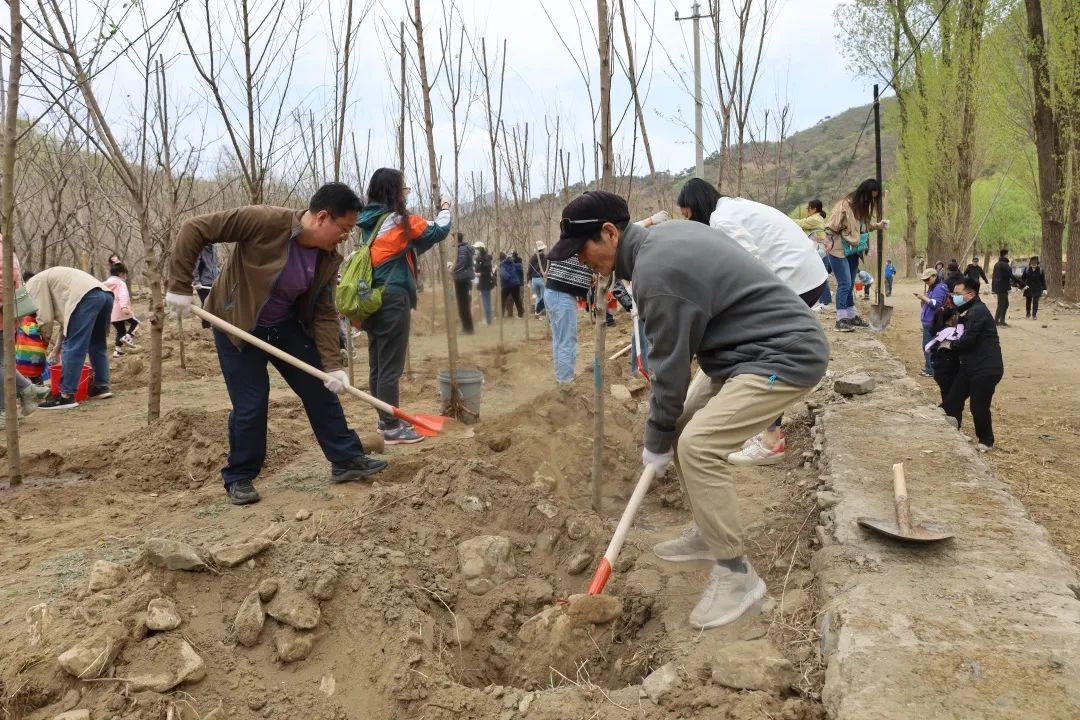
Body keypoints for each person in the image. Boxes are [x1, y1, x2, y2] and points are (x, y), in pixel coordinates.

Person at [548, 190, 829, 630]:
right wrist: (663, 432)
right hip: (740, 352)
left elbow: (670, 371)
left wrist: (655, 439)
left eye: (582, 249)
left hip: (783, 354)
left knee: (698, 445)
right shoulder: (661, 243)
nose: (580, 260)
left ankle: (737, 575)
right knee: (683, 426)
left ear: (610, 233)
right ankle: (708, 531)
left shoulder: (657, 272)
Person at [166, 182, 389, 505]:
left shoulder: (327, 259)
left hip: (283, 326)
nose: (345, 236)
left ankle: (345, 459)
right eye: (344, 228)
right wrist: (179, 285)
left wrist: (332, 366)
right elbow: (195, 228)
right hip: (237, 323)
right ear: (322, 217)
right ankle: (239, 477)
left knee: (319, 387)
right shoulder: (265, 221)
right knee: (252, 402)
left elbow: (324, 314)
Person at [677, 179, 827, 466]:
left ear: (696, 207)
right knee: (763, 347)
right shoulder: (732, 207)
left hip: (794, 277)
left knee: (763, 353)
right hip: (806, 273)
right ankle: (765, 432)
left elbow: (748, 261)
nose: (689, 223)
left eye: (688, 215)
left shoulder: (720, 219)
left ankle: (771, 441)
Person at [358, 169, 453, 445]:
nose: (405, 195)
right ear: (394, 192)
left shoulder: (369, 221)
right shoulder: (398, 220)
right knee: (390, 367)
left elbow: (406, 248)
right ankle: (392, 427)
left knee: (378, 365)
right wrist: (445, 208)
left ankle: (383, 418)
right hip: (392, 299)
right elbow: (439, 230)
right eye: (404, 190)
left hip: (371, 299)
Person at [27, 267, 115, 409]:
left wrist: (41, 343)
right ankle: (101, 386)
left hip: (86, 297)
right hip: (105, 295)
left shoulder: (32, 284)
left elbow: (45, 319)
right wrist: (56, 350)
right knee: (97, 343)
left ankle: (66, 396)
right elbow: (67, 324)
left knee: (74, 345)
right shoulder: (55, 282)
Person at [941, 277, 1003, 452]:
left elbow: (968, 339)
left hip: (985, 368)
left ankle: (987, 440)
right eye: (953, 293)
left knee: (978, 406)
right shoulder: (967, 310)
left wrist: (950, 344)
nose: (954, 297)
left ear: (970, 294)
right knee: (952, 400)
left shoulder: (978, 312)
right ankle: (949, 431)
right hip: (969, 366)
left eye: (957, 294)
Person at [825, 179, 889, 332]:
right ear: (863, 193)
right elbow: (831, 226)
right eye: (870, 197)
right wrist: (828, 240)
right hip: (838, 249)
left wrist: (879, 225)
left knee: (850, 284)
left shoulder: (861, 209)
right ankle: (841, 320)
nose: (871, 201)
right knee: (844, 283)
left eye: (874, 198)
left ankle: (851, 315)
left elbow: (863, 227)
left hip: (853, 250)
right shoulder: (844, 205)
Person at [0, 236, 41, 421]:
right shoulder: (6, 246)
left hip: (3, 314)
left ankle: (4, 412)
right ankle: (27, 389)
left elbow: (4, 283)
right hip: (7, 314)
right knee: (3, 362)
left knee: (1, 363)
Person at [544, 254, 593, 385]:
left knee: (560, 339)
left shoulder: (570, 245)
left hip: (553, 292)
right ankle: (566, 381)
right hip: (561, 295)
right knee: (566, 340)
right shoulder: (583, 245)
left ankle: (562, 376)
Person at [794, 200, 832, 309]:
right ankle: (824, 300)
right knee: (821, 275)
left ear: (814, 209)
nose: (807, 210)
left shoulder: (815, 219)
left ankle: (824, 301)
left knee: (818, 275)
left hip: (819, 250)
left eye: (808, 208)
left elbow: (801, 223)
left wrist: (785, 219)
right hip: (821, 249)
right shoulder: (818, 218)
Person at [914, 267, 949, 377]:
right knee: (929, 346)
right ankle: (930, 368)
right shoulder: (933, 288)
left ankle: (931, 370)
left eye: (927, 279)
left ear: (934, 276)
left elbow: (935, 304)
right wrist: (923, 299)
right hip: (928, 321)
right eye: (924, 280)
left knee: (928, 346)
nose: (926, 281)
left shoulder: (939, 288)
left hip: (933, 322)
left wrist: (923, 297)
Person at [103, 263, 139, 357]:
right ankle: (128, 337)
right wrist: (124, 307)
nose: (125, 276)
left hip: (111, 312)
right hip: (121, 309)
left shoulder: (106, 283)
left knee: (121, 331)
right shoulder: (121, 283)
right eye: (125, 274)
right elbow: (123, 295)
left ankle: (117, 351)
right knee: (137, 322)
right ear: (120, 273)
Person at [451, 233, 475, 335]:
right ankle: (467, 328)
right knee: (463, 304)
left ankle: (468, 329)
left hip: (462, 279)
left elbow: (462, 263)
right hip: (463, 278)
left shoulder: (462, 249)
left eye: (452, 239)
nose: (451, 241)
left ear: (456, 240)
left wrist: (452, 270)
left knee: (463, 304)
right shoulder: (462, 249)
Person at [192, 244, 220, 329]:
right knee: (206, 304)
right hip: (203, 282)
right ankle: (206, 327)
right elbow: (194, 267)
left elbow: (216, 264)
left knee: (214, 303)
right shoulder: (199, 249)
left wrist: (219, 274)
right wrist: (196, 281)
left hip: (214, 280)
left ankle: (213, 324)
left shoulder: (214, 247)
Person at [474, 241, 495, 325]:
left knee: (486, 301)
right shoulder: (479, 258)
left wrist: (480, 274)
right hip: (482, 282)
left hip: (485, 282)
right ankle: (487, 318)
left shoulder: (486, 258)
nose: (476, 250)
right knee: (485, 301)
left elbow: (487, 271)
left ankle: (488, 320)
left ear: (481, 249)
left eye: (477, 248)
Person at [499, 252, 524, 318]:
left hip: (507, 285)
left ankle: (501, 315)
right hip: (516, 283)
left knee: (502, 300)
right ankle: (520, 315)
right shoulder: (512, 262)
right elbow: (518, 267)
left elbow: (504, 275)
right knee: (517, 299)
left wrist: (507, 277)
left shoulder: (501, 264)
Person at [527, 240, 549, 316]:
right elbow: (547, 268)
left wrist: (528, 280)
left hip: (534, 279)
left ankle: (537, 312)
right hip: (542, 278)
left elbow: (529, 270)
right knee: (543, 296)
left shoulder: (532, 258)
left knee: (538, 296)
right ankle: (543, 312)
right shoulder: (545, 257)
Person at [1021, 255, 1046, 320]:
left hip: (1037, 288)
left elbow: (1043, 280)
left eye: (1035, 263)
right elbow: (1023, 279)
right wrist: (1022, 286)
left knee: (1035, 302)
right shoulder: (1026, 269)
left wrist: (1044, 289)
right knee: (1028, 302)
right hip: (1028, 288)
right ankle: (1028, 314)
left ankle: (1034, 315)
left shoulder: (1040, 270)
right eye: (1032, 263)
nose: (1033, 265)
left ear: (1037, 263)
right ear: (1030, 263)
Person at [991, 248, 1012, 327]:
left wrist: (993, 288)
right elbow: (1010, 276)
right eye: (1007, 254)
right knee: (1002, 304)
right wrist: (1022, 284)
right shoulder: (1004, 264)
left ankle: (1001, 321)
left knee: (1005, 304)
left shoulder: (997, 264)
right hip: (1002, 287)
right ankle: (997, 321)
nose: (1008, 255)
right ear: (1005, 255)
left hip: (1000, 287)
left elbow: (993, 277)